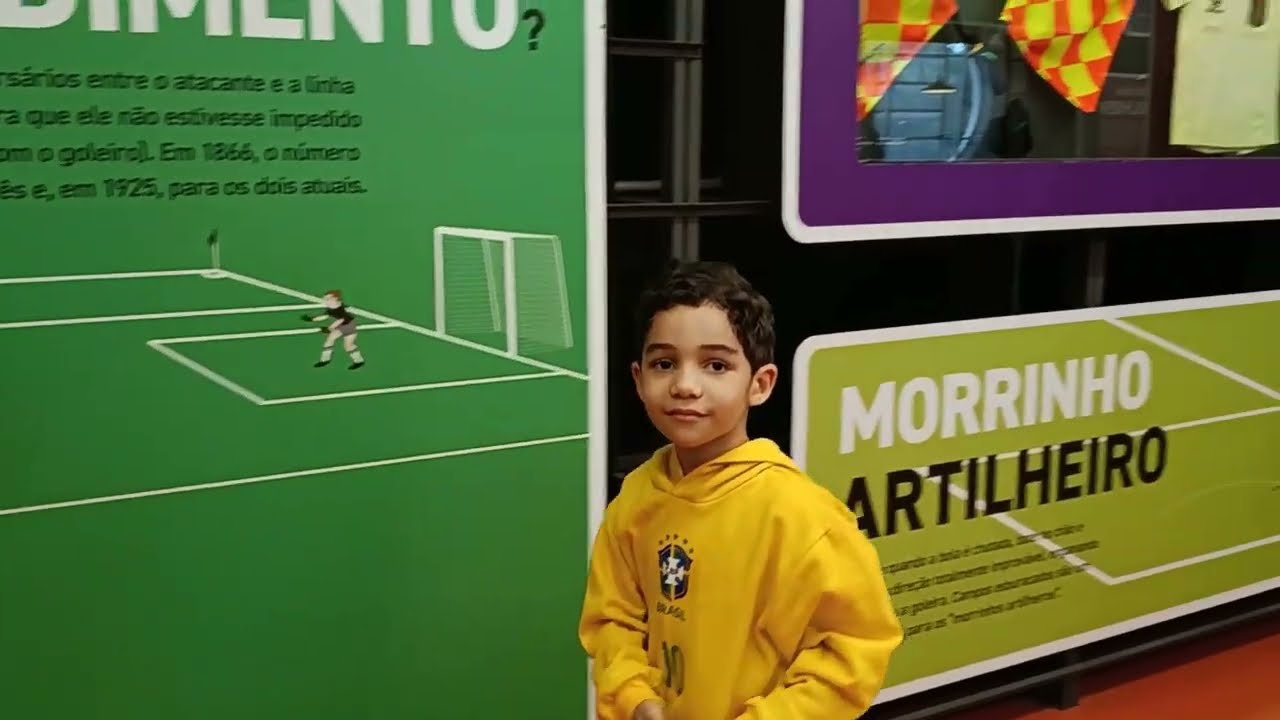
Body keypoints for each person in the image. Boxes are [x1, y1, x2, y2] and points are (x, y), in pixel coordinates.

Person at [578, 261, 902, 720]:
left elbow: (852, 650)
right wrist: (635, 698)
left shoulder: (801, 516)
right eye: (665, 363)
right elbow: (613, 620)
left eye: (715, 365)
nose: (685, 386)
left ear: (760, 384)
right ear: (638, 378)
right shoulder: (636, 497)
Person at [302, 290, 365, 369]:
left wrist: (330, 328)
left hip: (348, 326)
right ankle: (325, 360)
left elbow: (340, 320)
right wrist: (312, 319)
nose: (325, 300)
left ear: (335, 298)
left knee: (347, 345)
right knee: (332, 340)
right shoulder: (333, 307)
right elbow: (325, 316)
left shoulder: (338, 308)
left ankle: (358, 361)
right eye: (325, 298)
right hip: (344, 325)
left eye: (328, 298)